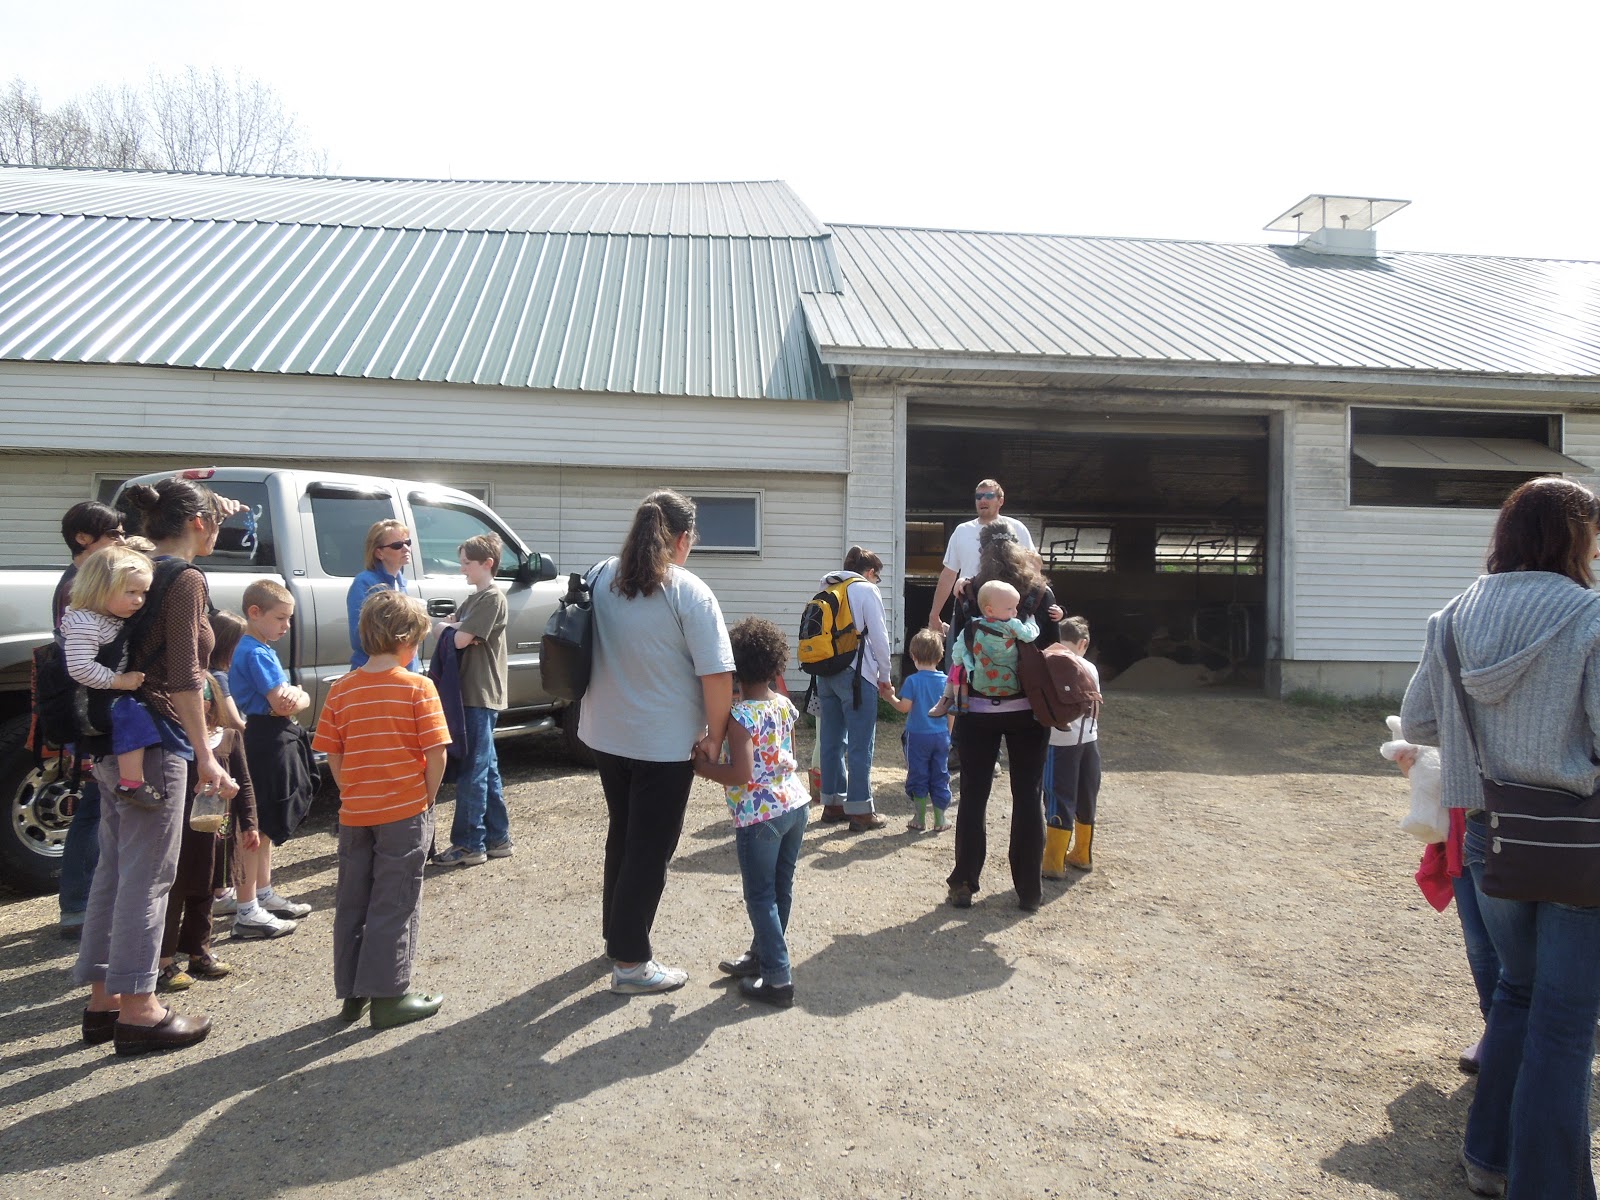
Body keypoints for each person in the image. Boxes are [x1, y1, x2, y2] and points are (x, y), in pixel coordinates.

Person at [1400, 476, 1600, 1200]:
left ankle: (1488, 1158)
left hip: (1489, 833)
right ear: (1573, 536)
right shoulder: (1591, 616)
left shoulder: (1452, 617)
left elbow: (1418, 723)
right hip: (1580, 837)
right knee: (1568, 1021)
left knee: (1518, 992)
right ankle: (1550, 1187)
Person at [75, 476, 235, 1056]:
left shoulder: (126, 564)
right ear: (198, 523)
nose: (222, 527)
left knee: (113, 872)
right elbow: (187, 676)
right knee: (149, 876)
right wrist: (207, 754)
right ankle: (141, 1009)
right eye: (216, 519)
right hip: (158, 736)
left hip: (114, 738)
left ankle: (102, 1003)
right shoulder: (184, 578)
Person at [578, 489, 734, 995]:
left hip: (604, 731)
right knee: (650, 848)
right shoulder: (688, 591)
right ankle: (631, 962)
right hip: (663, 743)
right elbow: (716, 675)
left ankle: (616, 936)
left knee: (624, 834)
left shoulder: (602, 574)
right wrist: (715, 737)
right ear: (683, 538)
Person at [313, 588, 449, 1029]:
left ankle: (354, 993)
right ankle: (390, 995)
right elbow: (436, 755)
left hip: (356, 813)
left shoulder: (341, 691)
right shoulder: (418, 688)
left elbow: (332, 754)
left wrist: (351, 788)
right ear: (408, 640)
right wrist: (427, 798)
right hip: (403, 813)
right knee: (395, 901)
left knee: (353, 901)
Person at [694, 617, 809, 1009]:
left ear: (735, 669)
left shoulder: (741, 718)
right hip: (794, 804)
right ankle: (762, 956)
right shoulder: (785, 707)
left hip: (759, 816)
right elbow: (786, 757)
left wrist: (700, 768)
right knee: (780, 890)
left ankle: (778, 977)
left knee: (760, 896)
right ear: (776, 665)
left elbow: (741, 774)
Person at [946, 532, 1059, 914]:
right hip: (1028, 711)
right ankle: (1029, 890)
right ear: (1020, 553)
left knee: (973, 795)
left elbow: (958, 653)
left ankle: (963, 881)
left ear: (983, 556)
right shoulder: (1041, 596)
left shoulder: (971, 593)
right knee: (1028, 795)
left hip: (978, 711)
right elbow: (1054, 650)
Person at [53, 501, 125, 937]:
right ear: (83, 538)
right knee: (94, 807)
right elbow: (82, 661)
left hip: (95, 707)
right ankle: (77, 907)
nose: (119, 539)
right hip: (90, 710)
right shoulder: (79, 586)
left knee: (99, 804)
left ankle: (84, 901)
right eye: (111, 533)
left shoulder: (86, 579)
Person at [156, 674, 255, 991]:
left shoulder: (227, 738)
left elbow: (245, 783)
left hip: (218, 833)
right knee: (175, 893)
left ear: (210, 705)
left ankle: (200, 952)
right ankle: (163, 962)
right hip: (182, 833)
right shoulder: (172, 741)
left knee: (207, 889)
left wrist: (250, 823)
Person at [228, 579, 314, 938]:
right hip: (263, 736)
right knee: (253, 827)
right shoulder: (256, 652)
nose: (287, 626)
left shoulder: (252, 647)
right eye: (281, 618)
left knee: (260, 827)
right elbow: (282, 703)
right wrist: (301, 694)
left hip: (259, 734)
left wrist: (295, 696)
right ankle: (247, 909)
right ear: (254, 612)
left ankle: (262, 893)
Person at [433, 533, 513, 867]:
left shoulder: (492, 598)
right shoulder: (473, 600)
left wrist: (451, 628)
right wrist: (451, 627)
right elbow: (446, 629)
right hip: (469, 692)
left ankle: (469, 843)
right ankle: (497, 838)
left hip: (479, 694)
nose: (462, 568)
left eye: (467, 563)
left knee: (472, 770)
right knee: (487, 768)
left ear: (487, 564)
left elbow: (460, 638)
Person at [60, 546, 160, 807]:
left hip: (100, 696)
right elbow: (80, 668)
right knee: (134, 716)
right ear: (99, 587)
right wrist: (120, 681)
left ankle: (84, 762)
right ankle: (132, 781)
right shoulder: (85, 622)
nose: (139, 600)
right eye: (131, 592)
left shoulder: (107, 618)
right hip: (92, 698)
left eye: (143, 593)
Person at [814, 547, 894, 832]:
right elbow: (880, 638)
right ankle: (861, 810)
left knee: (831, 740)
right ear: (870, 572)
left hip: (825, 672)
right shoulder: (865, 590)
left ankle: (833, 803)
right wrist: (885, 674)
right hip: (857, 674)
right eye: (877, 577)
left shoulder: (826, 587)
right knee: (861, 743)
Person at [927, 479, 1034, 637]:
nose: (982, 500)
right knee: (960, 657)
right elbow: (949, 574)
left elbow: (1033, 565)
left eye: (989, 495)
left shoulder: (1016, 528)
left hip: (1009, 612)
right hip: (969, 606)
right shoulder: (962, 531)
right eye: (978, 496)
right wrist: (934, 614)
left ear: (1001, 501)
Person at [1041, 616, 1101, 877]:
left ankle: (1053, 862)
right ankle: (1083, 854)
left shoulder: (1046, 663)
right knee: (1086, 796)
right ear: (1083, 644)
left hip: (1059, 742)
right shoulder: (1090, 666)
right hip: (1089, 741)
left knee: (1057, 797)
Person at [929, 579, 1038, 718]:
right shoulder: (1012, 625)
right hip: (1012, 686)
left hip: (980, 686)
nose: (1015, 612)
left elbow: (957, 652)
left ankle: (950, 698)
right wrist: (1031, 622)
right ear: (989, 610)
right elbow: (1030, 635)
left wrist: (958, 664)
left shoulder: (973, 627)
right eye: (1010, 608)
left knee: (960, 667)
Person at [887, 628, 951, 833]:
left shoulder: (913, 681)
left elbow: (904, 707)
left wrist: (889, 697)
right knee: (940, 773)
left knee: (919, 774)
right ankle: (940, 818)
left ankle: (920, 817)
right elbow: (951, 712)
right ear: (940, 656)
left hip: (917, 736)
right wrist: (948, 733)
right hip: (941, 736)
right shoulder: (946, 681)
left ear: (913, 656)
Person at [347, 520, 420, 671]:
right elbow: (359, 638)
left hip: (403, 674)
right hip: (375, 675)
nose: (406, 548)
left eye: (408, 542)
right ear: (379, 553)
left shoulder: (401, 583)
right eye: (397, 545)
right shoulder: (364, 583)